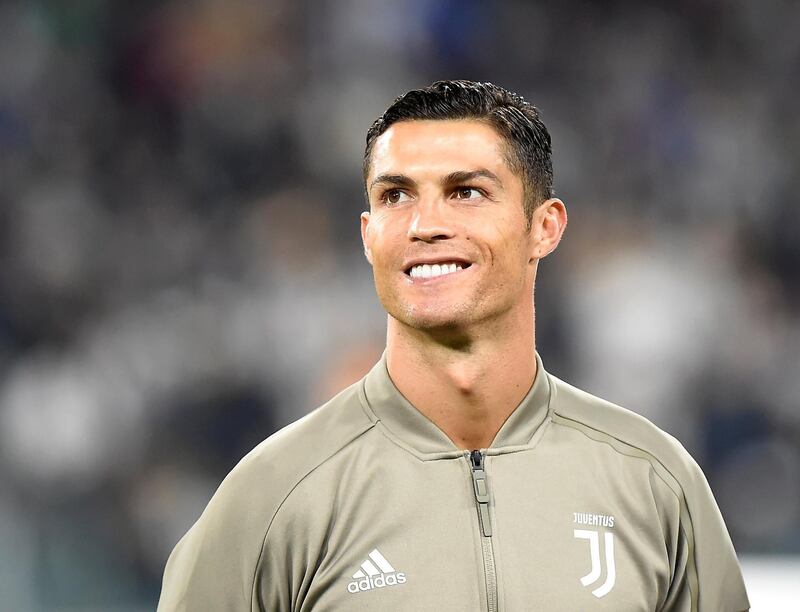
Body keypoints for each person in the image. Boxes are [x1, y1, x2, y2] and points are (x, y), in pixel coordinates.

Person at [157, 80, 749, 611]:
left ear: (544, 226)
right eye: (395, 195)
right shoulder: (272, 497)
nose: (424, 224)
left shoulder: (654, 481)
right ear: (367, 236)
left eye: (466, 192)